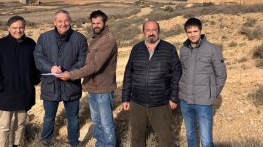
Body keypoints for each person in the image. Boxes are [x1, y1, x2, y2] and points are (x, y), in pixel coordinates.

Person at [58, 10, 118, 147]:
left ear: (105, 23)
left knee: (106, 123)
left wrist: (71, 75)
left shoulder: (108, 40)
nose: (96, 25)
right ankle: (100, 144)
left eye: (98, 23)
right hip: (93, 87)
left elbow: (94, 66)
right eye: (93, 23)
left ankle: (109, 145)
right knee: (97, 121)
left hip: (103, 88)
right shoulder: (95, 39)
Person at [122, 20, 182, 147]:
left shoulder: (169, 49)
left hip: (161, 103)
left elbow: (177, 74)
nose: (151, 33)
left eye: (154, 30)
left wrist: (173, 97)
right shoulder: (136, 49)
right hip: (137, 102)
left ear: (158, 32)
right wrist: (125, 98)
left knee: (166, 139)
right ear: (143, 32)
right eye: (148, 30)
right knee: (137, 139)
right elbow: (128, 74)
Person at [34, 9, 88, 147]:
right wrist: (50, 68)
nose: (63, 24)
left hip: (71, 84)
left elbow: (82, 60)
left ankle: (74, 141)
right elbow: (38, 57)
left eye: (66, 21)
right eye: (60, 21)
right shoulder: (44, 38)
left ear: (70, 21)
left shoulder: (80, 39)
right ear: (54, 22)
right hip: (50, 85)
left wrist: (69, 73)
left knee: (73, 118)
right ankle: (45, 141)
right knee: (49, 117)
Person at [0, 15, 40, 147]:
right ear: (8, 28)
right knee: (4, 126)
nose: (18, 30)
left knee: (20, 124)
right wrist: (1, 86)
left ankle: (17, 144)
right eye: (14, 28)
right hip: (5, 94)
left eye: (21, 27)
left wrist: (34, 80)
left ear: (25, 28)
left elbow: (37, 66)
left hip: (24, 92)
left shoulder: (31, 44)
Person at [179, 17, 227, 147]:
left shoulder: (213, 49)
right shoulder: (183, 50)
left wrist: (212, 95)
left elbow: (221, 75)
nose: (193, 34)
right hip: (185, 100)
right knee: (190, 133)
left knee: (206, 139)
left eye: (195, 31)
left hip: (204, 102)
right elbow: (181, 72)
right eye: (189, 32)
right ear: (186, 33)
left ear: (201, 31)